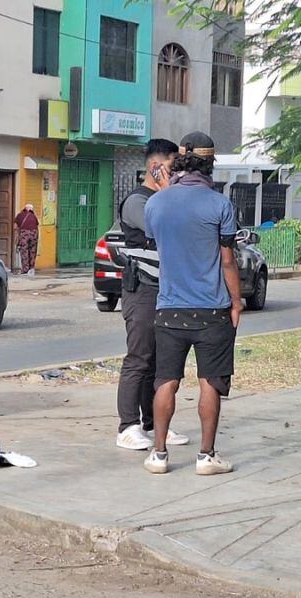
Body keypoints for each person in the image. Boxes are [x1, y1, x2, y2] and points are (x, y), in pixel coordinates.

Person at [142, 131, 242, 475]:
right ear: (210, 163)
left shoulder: (155, 203)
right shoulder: (219, 204)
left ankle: (158, 454)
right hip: (212, 310)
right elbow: (227, 261)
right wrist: (236, 301)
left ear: (179, 160)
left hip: (168, 308)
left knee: (165, 381)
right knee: (210, 382)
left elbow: (160, 246)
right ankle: (206, 456)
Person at [115, 138, 190, 451]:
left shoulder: (166, 198)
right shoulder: (138, 202)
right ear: (155, 167)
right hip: (143, 289)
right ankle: (127, 426)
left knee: (160, 362)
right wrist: (165, 192)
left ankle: (155, 423)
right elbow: (163, 227)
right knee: (139, 358)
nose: (178, 174)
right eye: (173, 167)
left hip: (167, 290)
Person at [13, 204, 40, 276]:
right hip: (34, 234)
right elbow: (37, 225)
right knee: (33, 251)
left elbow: (15, 227)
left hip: (24, 234)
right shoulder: (34, 216)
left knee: (24, 251)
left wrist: (17, 235)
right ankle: (31, 268)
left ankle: (25, 269)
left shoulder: (20, 215)